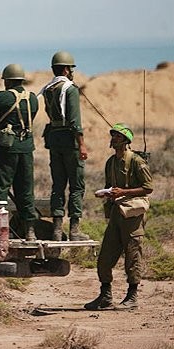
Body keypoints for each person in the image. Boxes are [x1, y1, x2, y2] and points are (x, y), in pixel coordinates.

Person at [84, 124, 153, 310]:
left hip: (133, 215)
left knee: (132, 256)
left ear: (125, 141)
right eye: (113, 135)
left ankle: (132, 297)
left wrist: (124, 191)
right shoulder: (111, 162)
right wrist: (106, 193)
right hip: (116, 214)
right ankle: (105, 296)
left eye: (117, 136)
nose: (113, 139)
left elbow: (148, 188)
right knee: (105, 257)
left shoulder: (137, 162)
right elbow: (110, 185)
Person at [0, 63, 39, 241]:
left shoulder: (3, 97)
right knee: (26, 189)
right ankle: (30, 230)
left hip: (7, 148)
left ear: (7, 81)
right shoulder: (32, 98)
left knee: (0, 188)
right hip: (26, 148)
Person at [39, 51, 89, 241]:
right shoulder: (70, 88)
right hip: (69, 140)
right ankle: (75, 230)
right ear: (67, 69)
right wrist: (82, 144)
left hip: (54, 138)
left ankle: (57, 230)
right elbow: (75, 120)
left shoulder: (48, 88)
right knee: (76, 186)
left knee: (58, 185)